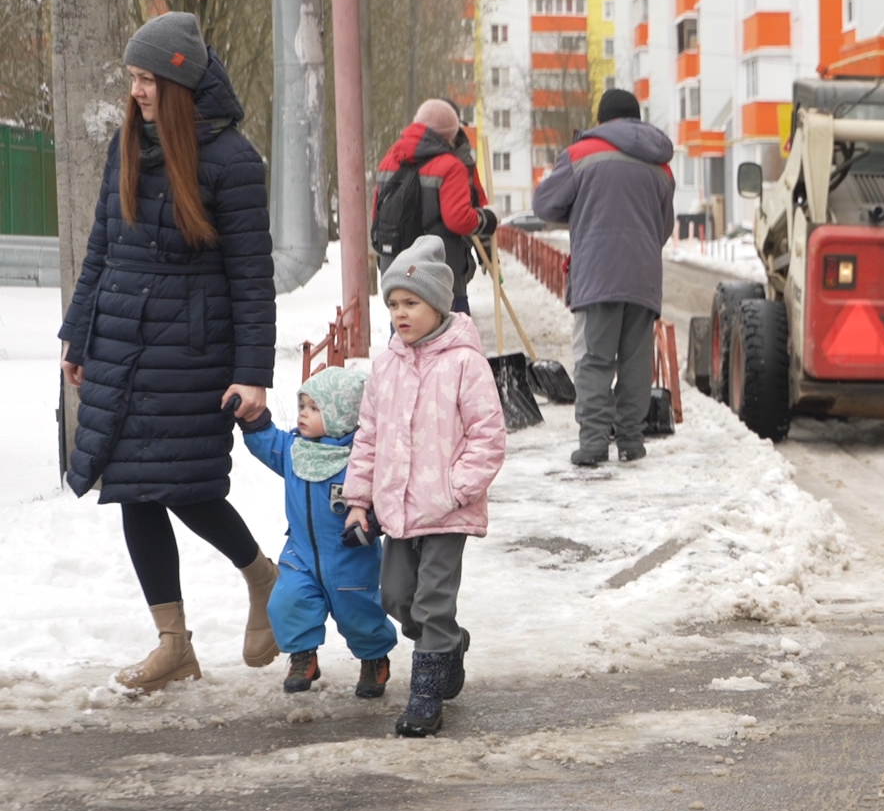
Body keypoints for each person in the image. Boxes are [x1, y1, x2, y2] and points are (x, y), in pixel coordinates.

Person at [57, 11, 280, 694]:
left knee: (186, 487)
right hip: (121, 340)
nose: (139, 92)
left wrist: (253, 376)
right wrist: (78, 331)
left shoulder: (233, 162)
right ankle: (173, 642)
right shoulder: (126, 144)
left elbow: (251, 277)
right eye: (133, 79)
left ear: (180, 83)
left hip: (190, 350)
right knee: (132, 490)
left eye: (148, 79)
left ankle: (259, 575)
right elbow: (101, 245)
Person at [343, 235, 507, 737]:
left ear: (437, 304)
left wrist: (457, 488)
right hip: (398, 510)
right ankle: (448, 644)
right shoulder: (386, 365)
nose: (400, 313)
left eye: (411, 302)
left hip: (447, 510)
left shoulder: (464, 363)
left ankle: (425, 696)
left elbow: (489, 435)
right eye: (393, 304)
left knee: (433, 600)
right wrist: (358, 498)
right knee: (397, 598)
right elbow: (368, 434)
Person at [531, 89, 677, 466]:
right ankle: (631, 441)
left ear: (601, 120)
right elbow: (663, 228)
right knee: (635, 361)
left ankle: (594, 443)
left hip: (596, 273)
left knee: (595, 360)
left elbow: (545, 205)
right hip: (643, 276)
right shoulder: (661, 164)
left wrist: (584, 214)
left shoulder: (581, 154)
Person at [238, 367, 398, 698]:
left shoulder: (361, 459)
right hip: (301, 554)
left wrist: (373, 520)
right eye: (302, 407)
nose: (304, 416)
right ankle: (302, 656)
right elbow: (266, 441)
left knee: (359, 613)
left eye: (315, 409)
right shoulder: (295, 451)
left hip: (350, 557)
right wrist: (252, 419)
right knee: (287, 601)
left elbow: (387, 492)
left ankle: (374, 659)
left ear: (343, 413)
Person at [373, 99, 497, 314]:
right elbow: (459, 219)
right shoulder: (451, 166)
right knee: (451, 342)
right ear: (450, 134)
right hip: (440, 276)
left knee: (404, 341)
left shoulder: (388, 161)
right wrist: (489, 219)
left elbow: (377, 215)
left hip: (398, 274)